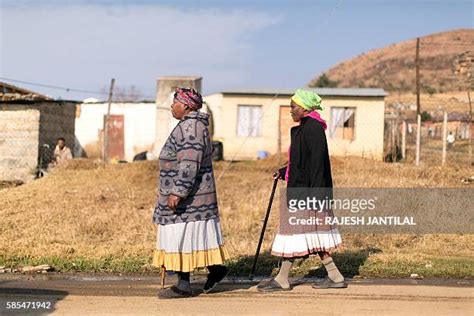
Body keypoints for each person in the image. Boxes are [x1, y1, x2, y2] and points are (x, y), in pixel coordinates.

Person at [257, 89, 346, 292]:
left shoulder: (312, 129)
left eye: (293, 107)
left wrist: (316, 196)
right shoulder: (305, 127)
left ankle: (282, 279)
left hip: (308, 192)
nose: (291, 111)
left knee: (294, 233)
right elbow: (301, 160)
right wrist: (284, 171)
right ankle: (335, 276)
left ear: (305, 108)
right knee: (312, 233)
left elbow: (317, 164)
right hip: (304, 188)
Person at [152, 88, 229, 299]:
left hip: (190, 198)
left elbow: (189, 163)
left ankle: (184, 285)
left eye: (174, 102)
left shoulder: (190, 127)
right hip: (192, 196)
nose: (171, 106)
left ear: (185, 106)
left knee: (180, 236)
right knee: (190, 235)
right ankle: (216, 270)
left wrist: (178, 192)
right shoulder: (190, 125)